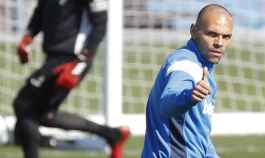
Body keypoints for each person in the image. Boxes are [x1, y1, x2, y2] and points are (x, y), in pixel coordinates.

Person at [13, 0, 130, 158]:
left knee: (24, 105)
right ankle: (112, 135)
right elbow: (40, 13)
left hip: (71, 60)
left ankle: (112, 135)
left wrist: (82, 60)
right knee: (44, 114)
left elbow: (101, 21)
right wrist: (28, 37)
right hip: (52, 58)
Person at [141, 4, 233, 158]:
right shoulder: (185, 63)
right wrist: (188, 96)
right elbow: (167, 104)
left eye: (226, 36)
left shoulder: (204, 71)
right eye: (211, 34)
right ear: (193, 31)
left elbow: (198, 135)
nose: (219, 43)